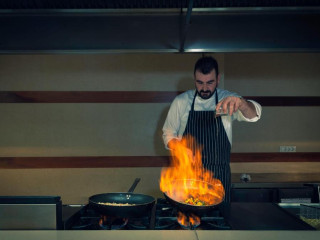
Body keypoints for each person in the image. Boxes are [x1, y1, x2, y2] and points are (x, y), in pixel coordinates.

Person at [162, 56, 262, 202]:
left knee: (220, 221)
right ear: (194, 79)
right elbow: (168, 134)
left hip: (219, 178)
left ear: (218, 78)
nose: (204, 88)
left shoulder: (228, 99)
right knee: (189, 219)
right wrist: (179, 147)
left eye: (210, 82)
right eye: (199, 82)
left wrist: (242, 104)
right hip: (188, 177)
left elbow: (254, 115)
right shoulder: (181, 102)